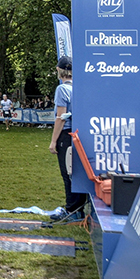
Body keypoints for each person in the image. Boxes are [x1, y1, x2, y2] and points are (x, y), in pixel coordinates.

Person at [48, 56, 86, 221]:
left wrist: (53, 140)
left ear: (59, 70)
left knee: (67, 172)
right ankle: (78, 208)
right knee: (77, 171)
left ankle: (72, 210)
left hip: (66, 132)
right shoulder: (80, 87)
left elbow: (60, 117)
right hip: (79, 133)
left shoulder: (62, 89)